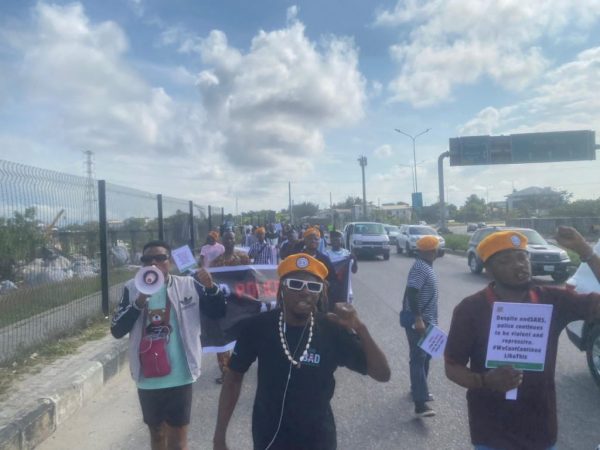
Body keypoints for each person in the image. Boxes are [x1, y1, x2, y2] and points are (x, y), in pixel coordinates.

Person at [212, 253, 391, 450]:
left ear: (321, 294)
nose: (305, 292)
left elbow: (382, 374)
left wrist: (360, 328)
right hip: (269, 437)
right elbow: (233, 378)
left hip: (319, 439)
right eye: (296, 284)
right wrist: (219, 436)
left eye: (314, 287)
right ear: (282, 289)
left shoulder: (333, 330)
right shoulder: (257, 327)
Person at [445, 226, 600, 450]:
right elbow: (452, 367)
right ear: (488, 269)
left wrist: (586, 251)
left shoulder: (553, 300)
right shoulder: (470, 309)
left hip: (540, 430)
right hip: (491, 433)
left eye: (522, 257)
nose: (519, 264)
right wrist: (484, 381)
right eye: (506, 261)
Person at [111, 240, 226, 450]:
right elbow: (117, 330)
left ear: (170, 262)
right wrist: (139, 301)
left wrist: (210, 287)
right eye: (147, 259)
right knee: (156, 435)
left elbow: (218, 312)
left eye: (160, 258)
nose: (154, 263)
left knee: (178, 439)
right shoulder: (131, 288)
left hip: (180, 375)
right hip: (148, 378)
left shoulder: (188, 284)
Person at [399, 235, 440, 418]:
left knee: (426, 357)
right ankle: (420, 404)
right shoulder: (420, 268)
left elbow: (408, 291)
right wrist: (417, 318)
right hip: (420, 321)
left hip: (428, 320)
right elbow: (413, 293)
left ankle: (418, 389)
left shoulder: (424, 267)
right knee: (418, 357)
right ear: (433, 250)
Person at [210, 230, 251, 384]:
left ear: (235, 240)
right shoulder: (216, 262)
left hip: (241, 303)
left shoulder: (243, 258)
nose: (229, 241)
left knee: (242, 338)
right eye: (226, 239)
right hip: (224, 305)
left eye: (232, 239)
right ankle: (226, 373)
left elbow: (250, 278)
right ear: (222, 240)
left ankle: (238, 369)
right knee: (222, 339)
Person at [290, 227, 339, 309]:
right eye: (310, 238)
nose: (313, 241)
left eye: (316, 239)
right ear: (304, 240)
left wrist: (328, 284)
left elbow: (334, 280)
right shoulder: (297, 258)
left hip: (319, 300)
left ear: (319, 241)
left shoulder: (324, 259)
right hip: (299, 296)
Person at [325, 230, 358, 303]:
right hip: (331, 286)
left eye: (337, 240)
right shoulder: (326, 254)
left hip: (345, 285)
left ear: (341, 241)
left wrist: (355, 260)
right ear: (331, 242)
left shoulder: (347, 253)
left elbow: (354, 271)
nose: (335, 242)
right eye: (333, 240)